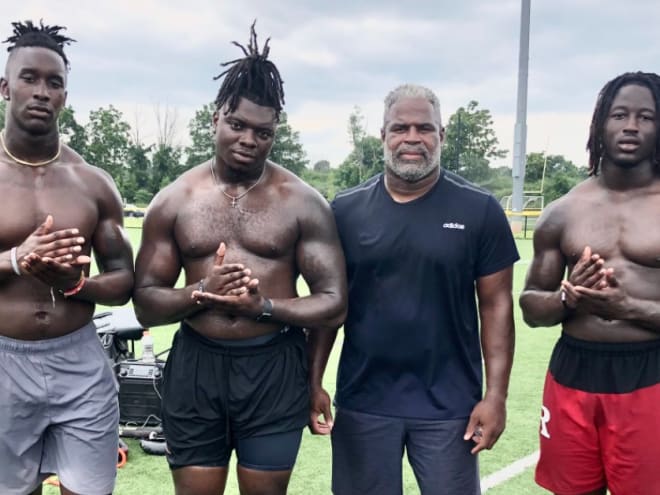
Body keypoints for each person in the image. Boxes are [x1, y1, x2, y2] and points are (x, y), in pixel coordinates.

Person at [133, 22, 347, 495]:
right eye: (238, 125)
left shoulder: (302, 202)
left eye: (263, 132)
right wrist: (200, 293)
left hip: (273, 368)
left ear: (275, 134)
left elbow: (334, 303)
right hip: (195, 367)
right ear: (215, 119)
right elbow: (145, 303)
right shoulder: (174, 200)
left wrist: (263, 309)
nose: (249, 139)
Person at [309, 84, 519, 495]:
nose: (411, 138)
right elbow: (329, 306)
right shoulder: (345, 211)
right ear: (382, 136)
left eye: (424, 128)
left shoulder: (479, 209)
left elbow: (496, 307)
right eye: (399, 127)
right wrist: (312, 380)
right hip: (364, 399)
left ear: (441, 136)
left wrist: (495, 397)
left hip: (450, 406)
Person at [0, 20, 134, 495]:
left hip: (78, 357)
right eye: (29, 78)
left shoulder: (91, 182)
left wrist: (75, 284)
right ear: (5, 87)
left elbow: (123, 279)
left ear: (65, 96)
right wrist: (16, 259)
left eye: (53, 83)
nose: (41, 91)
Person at [520, 71, 660, 495]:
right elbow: (530, 307)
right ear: (600, 124)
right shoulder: (563, 212)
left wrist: (627, 308)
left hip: (650, 370)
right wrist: (568, 298)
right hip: (573, 372)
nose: (631, 126)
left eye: (646, 117)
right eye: (619, 115)